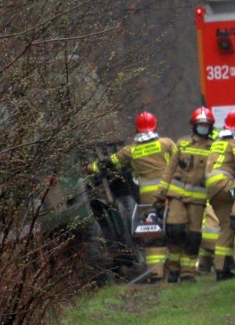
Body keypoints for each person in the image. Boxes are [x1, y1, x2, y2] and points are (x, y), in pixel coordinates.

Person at [86, 111, 176, 282]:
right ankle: (179, 270)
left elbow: (109, 163)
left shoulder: (131, 151)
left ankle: (156, 273)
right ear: (155, 126)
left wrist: (91, 168)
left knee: (153, 233)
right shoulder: (166, 143)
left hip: (149, 198)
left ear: (137, 129)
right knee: (175, 229)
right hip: (171, 194)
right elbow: (181, 161)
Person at [155, 106, 215, 283]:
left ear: (210, 127)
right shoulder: (182, 144)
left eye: (206, 125)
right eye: (200, 124)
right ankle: (173, 269)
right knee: (175, 230)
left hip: (197, 200)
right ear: (193, 126)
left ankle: (188, 273)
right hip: (176, 196)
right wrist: (160, 193)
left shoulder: (214, 148)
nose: (203, 128)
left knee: (194, 237)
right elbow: (170, 169)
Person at [206, 109, 235, 281]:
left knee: (225, 228)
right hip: (224, 184)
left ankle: (221, 270)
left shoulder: (217, 141)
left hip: (212, 190)